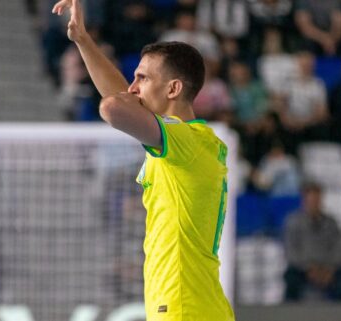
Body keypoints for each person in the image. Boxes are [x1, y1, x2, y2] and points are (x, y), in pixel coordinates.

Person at [52, 1, 235, 320]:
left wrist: (123, 98)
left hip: (182, 308)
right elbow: (124, 100)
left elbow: (113, 108)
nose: (133, 88)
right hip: (192, 306)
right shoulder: (192, 141)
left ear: (174, 88)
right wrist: (82, 39)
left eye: (142, 79)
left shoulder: (185, 141)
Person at [283, 182, 341, 302]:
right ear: (304, 201)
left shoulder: (331, 223)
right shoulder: (293, 222)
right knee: (290, 277)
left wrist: (329, 269)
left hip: (328, 270)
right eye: (311, 200)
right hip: (303, 270)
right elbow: (291, 251)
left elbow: (339, 248)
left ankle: (336, 313)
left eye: (316, 200)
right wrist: (309, 268)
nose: (314, 204)